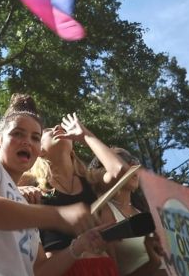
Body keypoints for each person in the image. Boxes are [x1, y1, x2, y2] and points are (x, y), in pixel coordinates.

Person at [0, 93, 106, 276]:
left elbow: (40, 270)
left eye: (35, 137)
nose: (27, 141)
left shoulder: (26, 203)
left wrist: (79, 245)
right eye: (17, 133)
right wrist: (58, 216)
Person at [21, 114, 128, 276]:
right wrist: (20, 190)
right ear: (40, 150)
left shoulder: (91, 180)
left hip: (103, 269)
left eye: (60, 127)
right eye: (48, 131)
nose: (57, 128)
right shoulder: (30, 183)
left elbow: (120, 171)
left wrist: (85, 135)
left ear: (72, 147)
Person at [91, 148, 166, 276]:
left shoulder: (143, 213)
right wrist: (153, 261)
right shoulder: (104, 212)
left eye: (134, 160)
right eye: (123, 160)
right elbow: (111, 272)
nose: (133, 165)